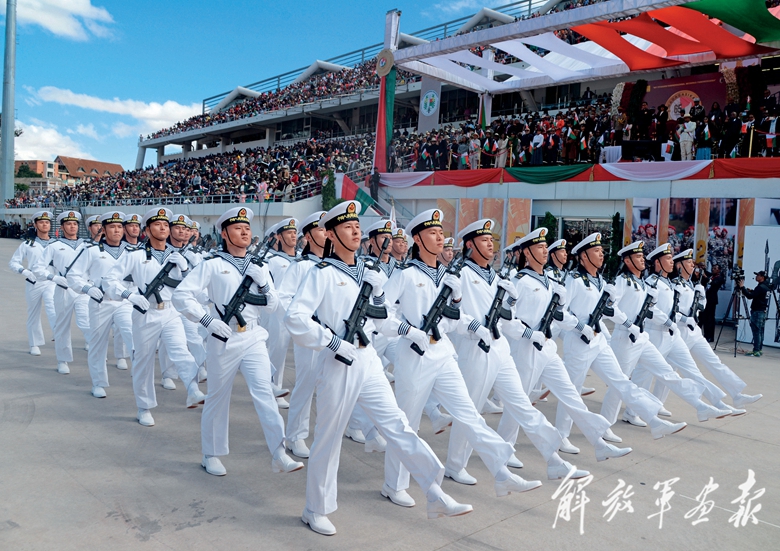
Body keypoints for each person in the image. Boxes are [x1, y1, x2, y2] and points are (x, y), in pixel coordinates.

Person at [285, 200, 473, 536]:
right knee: (329, 438)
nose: (355, 231)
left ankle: (434, 491)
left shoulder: (369, 273)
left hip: (368, 358)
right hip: (338, 360)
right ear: (330, 235)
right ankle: (315, 508)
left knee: (398, 425)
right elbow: (295, 318)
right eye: (347, 227)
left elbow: (384, 322)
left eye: (357, 226)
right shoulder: (322, 273)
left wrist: (379, 297)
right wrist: (331, 341)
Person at [381, 208, 541, 509]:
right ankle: (394, 484)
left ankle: (501, 472)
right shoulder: (406, 275)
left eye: (441, 232)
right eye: (432, 233)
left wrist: (459, 308)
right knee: (407, 423)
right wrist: (407, 330)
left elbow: (454, 321)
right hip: (414, 355)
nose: (439, 237)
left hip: (443, 353)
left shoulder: (448, 276)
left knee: (469, 414)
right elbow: (381, 315)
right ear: (418, 239)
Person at [444, 219, 589, 485]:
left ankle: (554, 461)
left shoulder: (496, 276)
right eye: (484, 240)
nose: (491, 244)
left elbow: (507, 319)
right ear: (470, 244)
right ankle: (455, 465)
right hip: (475, 348)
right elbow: (452, 313)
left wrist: (511, 303)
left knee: (522, 405)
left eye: (491, 240)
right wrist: (473, 326)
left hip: (500, 347)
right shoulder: (460, 273)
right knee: (471, 411)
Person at [172, 206, 304, 478]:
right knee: (218, 397)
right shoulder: (212, 264)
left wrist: (264, 285)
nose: (244, 232)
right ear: (224, 233)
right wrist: (207, 321)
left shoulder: (259, 266)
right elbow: (181, 296)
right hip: (223, 337)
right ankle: (211, 453)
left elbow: (272, 306)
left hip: (253, 336)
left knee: (265, 393)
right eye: (237, 228)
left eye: (247, 228)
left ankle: (279, 453)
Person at [500, 228, 633, 462]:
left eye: (545, 246)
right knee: (519, 401)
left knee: (571, 395)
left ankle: (599, 443)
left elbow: (559, 316)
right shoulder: (519, 281)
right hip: (526, 349)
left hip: (547, 348)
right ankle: (505, 448)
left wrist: (574, 321)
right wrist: (529, 334)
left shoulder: (550, 281)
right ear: (527, 253)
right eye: (539, 247)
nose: (545, 251)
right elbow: (505, 320)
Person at [600, 241, 729, 433]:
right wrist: (628, 324)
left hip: (642, 336)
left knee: (667, 372)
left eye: (642, 256)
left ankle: (700, 406)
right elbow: (608, 308)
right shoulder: (622, 281)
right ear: (627, 261)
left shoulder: (642, 283)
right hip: (625, 337)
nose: (642, 260)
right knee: (620, 384)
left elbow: (650, 309)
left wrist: (666, 319)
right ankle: (604, 426)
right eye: (637, 257)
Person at [103, 207, 205, 427]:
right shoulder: (135, 255)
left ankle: (193, 388)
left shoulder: (177, 257)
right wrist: (129, 295)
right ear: (147, 230)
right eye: (157, 224)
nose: (163, 228)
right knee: (144, 361)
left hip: (171, 312)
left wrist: (185, 270)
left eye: (166, 225)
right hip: (145, 313)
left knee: (180, 350)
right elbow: (109, 280)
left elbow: (195, 288)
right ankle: (144, 407)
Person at [630, 244, 739, 418]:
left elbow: (678, 308)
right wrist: (670, 320)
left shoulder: (671, 283)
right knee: (645, 374)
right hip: (655, 333)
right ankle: (632, 410)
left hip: (672, 335)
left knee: (691, 370)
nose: (671, 262)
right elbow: (650, 309)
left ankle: (714, 403)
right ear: (657, 262)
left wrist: (700, 297)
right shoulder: (651, 282)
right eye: (668, 259)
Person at [672, 249, 762, 407]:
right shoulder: (674, 285)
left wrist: (702, 297)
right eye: (689, 263)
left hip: (694, 333)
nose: (693, 266)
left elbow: (701, 306)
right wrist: (685, 319)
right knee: (674, 372)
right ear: (679, 266)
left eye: (693, 263)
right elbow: (670, 311)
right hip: (679, 333)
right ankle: (654, 404)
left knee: (715, 362)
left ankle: (737, 395)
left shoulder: (692, 284)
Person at [66, 212, 135, 398]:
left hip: (124, 303)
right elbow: (73, 275)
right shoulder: (92, 251)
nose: (117, 230)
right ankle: (98, 383)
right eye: (112, 227)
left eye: (119, 227)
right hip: (100, 302)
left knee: (132, 336)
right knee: (98, 344)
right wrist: (87, 288)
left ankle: (138, 374)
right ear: (103, 230)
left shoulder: (131, 252)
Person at [277, 211, 327, 458]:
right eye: (320, 230)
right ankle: (295, 436)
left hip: (334, 336)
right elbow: (284, 297)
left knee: (331, 387)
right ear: (307, 236)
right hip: (309, 334)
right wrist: (304, 323)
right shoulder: (300, 266)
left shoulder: (334, 266)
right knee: (306, 384)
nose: (325, 234)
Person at [31, 211, 91, 374]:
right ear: (62, 227)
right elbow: (38, 268)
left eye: (75, 224)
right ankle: (62, 360)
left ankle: (95, 350)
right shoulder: (54, 246)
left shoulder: (87, 246)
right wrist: (53, 277)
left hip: (83, 291)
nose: (72, 226)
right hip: (64, 290)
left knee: (86, 322)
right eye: (69, 224)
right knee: (62, 326)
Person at [8, 210, 56, 356]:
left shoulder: (56, 244)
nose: (44, 224)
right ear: (35, 225)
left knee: (52, 307)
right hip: (34, 282)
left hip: (51, 281)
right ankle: (34, 343)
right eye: (41, 222)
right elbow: (14, 262)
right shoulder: (28, 244)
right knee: (33, 313)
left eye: (47, 222)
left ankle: (58, 333)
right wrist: (24, 271)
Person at [739, 270, 773, 356]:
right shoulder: (766, 286)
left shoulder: (760, 287)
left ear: (762, 277)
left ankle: (756, 350)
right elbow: (759, 295)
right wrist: (753, 291)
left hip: (757, 311)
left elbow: (750, 296)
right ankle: (759, 349)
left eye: (758, 275)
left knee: (756, 331)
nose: (756, 277)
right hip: (762, 311)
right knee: (760, 331)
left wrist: (742, 287)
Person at [702, 264, 725, 340]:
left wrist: (706, 278)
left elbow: (714, 283)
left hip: (712, 300)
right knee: (705, 317)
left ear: (719, 270)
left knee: (710, 318)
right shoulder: (711, 275)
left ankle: (710, 336)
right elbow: (706, 273)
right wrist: (704, 269)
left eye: (715, 268)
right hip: (706, 299)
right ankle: (705, 335)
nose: (713, 269)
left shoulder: (720, 278)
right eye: (712, 268)